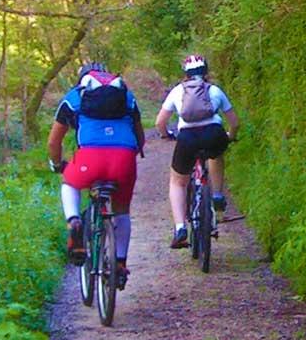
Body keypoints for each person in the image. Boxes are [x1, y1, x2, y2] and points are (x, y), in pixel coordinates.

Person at [47, 62, 145, 284]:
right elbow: (140, 136)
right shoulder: (127, 96)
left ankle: (74, 222)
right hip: (124, 159)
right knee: (122, 211)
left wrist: (57, 164)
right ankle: (120, 263)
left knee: (69, 183)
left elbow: (54, 142)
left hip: (89, 160)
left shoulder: (74, 97)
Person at [154, 54, 238, 248]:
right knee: (216, 154)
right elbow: (234, 122)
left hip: (187, 138)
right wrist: (230, 136)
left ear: (186, 73)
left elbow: (160, 122)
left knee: (178, 182)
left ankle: (180, 227)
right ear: (206, 71)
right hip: (213, 134)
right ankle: (217, 195)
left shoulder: (177, 91)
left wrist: (166, 135)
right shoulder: (215, 90)